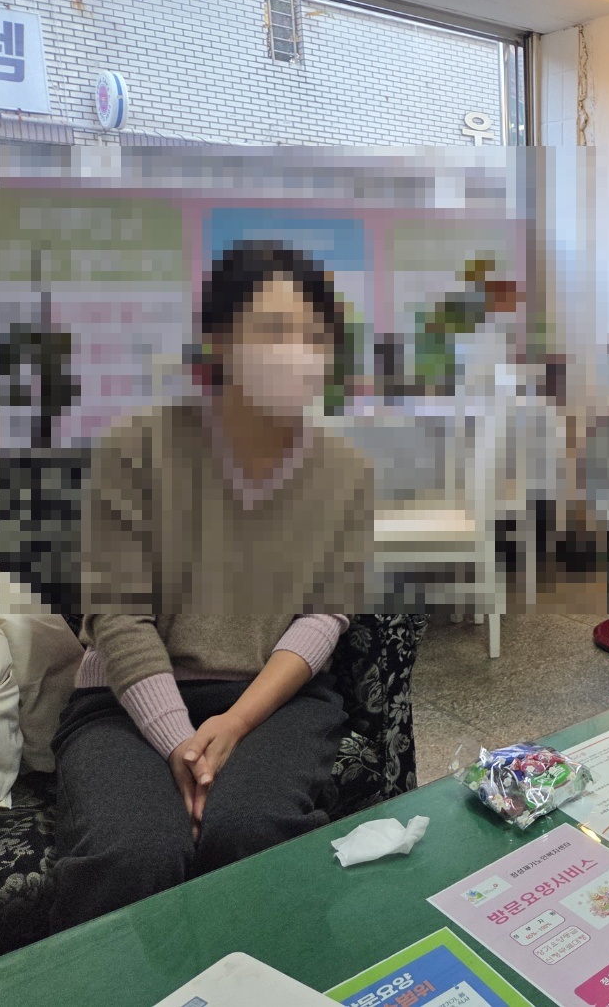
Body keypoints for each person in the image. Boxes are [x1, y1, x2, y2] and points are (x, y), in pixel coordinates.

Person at [50, 241, 373, 930]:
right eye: (274, 330)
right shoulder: (134, 448)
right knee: (131, 854)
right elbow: (118, 615)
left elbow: (325, 614)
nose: (297, 354)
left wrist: (235, 724)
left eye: (314, 336)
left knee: (252, 833)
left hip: (272, 701)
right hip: (121, 702)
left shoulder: (344, 471)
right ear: (219, 338)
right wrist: (183, 744)